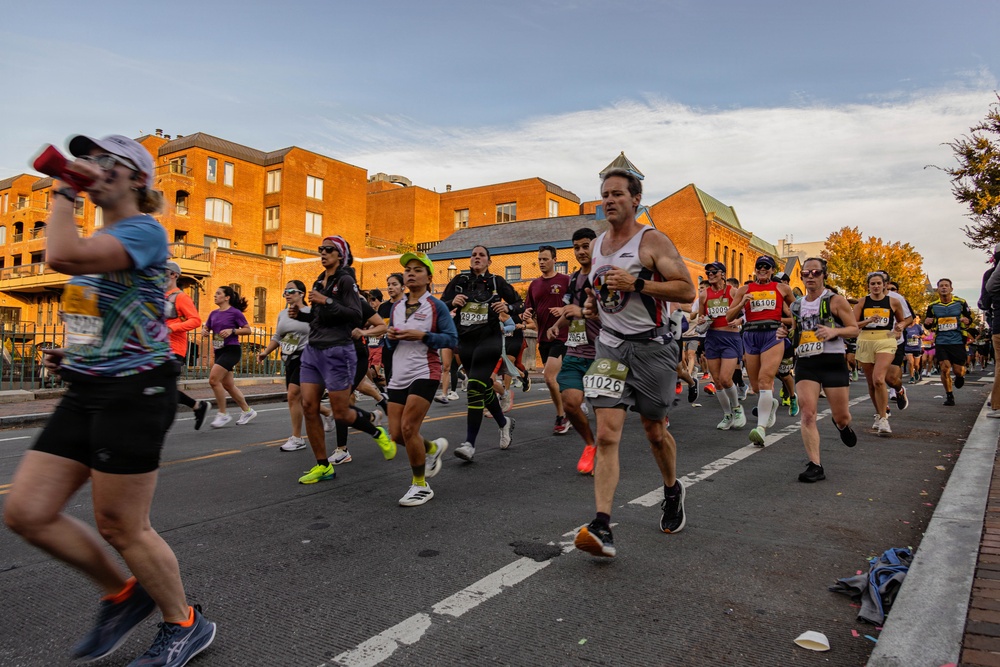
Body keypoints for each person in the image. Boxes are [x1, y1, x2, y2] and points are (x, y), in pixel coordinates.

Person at [3, 134, 216, 665]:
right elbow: (103, 319)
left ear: (137, 178)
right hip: (90, 386)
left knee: (122, 524)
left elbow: (61, 254)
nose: (92, 166)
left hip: (137, 390)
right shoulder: (106, 243)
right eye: (88, 159)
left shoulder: (144, 231)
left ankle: (184, 622)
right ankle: (124, 595)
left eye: (105, 161)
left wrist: (63, 190)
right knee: (27, 511)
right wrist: (70, 356)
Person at [573, 168, 695, 559]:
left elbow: (687, 291)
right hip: (610, 349)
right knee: (607, 434)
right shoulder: (596, 247)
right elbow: (602, 294)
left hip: (652, 350)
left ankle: (672, 489)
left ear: (635, 199)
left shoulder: (652, 240)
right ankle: (602, 525)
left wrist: (638, 284)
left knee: (654, 431)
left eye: (617, 194)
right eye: (604, 195)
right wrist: (594, 305)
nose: (608, 200)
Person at [290, 236, 396, 484]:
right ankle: (322, 465)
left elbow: (354, 314)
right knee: (309, 406)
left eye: (329, 250)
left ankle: (375, 430)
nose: (323, 253)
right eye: (321, 249)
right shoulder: (319, 280)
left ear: (340, 255)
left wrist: (325, 300)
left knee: (340, 411)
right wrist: (302, 315)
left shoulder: (346, 281)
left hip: (338, 350)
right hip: (313, 351)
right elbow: (320, 318)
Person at [386, 252, 459, 505]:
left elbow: (452, 339)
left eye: (417, 269)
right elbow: (390, 342)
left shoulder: (436, 306)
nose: (411, 273)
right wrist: (390, 338)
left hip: (425, 371)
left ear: (429, 277)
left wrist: (423, 336)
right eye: (408, 270)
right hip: (399, 374)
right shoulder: (396, 306)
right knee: (396, 434)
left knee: (409, 428)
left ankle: (420, 485)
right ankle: (431, 449)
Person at [777, 258, 859, 482]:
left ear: (824, 275)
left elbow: (854, 329)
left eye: (815, 272)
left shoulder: (835, 301)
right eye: (806, 273)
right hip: (806, 362)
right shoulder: (796, 305)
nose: (810, 276)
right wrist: (785, 334)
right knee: (808, 413)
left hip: (832, 362)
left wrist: (835, 333)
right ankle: (815, 465)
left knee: (842, 416)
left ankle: (842, 426)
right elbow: (796, 333)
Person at [440, 245, 521, 462]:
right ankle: (504, 423)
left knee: (474, 385)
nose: (477, 257)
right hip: (465, 342)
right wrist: (451, 302)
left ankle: (469, 444)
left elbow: (518, 303)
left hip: (490, 340)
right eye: (474, 255)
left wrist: (507, 309)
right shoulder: (459, 281)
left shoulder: (496, 282)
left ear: (489, 261)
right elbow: (439, 304)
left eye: (481, 255)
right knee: (482, 386)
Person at [256, 281, 335, 452]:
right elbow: (278, 336)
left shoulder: (310, 312)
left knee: (293, 395)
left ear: (301, 293)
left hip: (307, 357)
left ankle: (297, 438)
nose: (287, 294)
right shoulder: (283, 314)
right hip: (289, 358)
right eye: (285, 291)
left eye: (291, 291)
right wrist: (265, 352)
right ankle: (328, 413)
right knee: (301, 399)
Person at [547, 228, 601, 474]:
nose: (581, 251)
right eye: (577, 247)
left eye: (585, 246)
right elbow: (570, 310)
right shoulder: (572, 280)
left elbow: (617, 313)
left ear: (595, 246)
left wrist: (587, 312)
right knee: (570, 403)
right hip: (576, 351)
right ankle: (590, 444)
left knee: (606, 413)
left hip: (604, 354)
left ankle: (606, 450)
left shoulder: (604, 277)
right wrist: (556, 326)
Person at [726, 255, 795, 446]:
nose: (762, 270)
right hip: (751, 336)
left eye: (767, 267)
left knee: (766, 380)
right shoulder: (744, 289)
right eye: (759, 267)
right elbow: (728, 316)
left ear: (772, 270)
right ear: (755, 269)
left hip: (772, 335)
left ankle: (761, 429)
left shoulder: (782, 288)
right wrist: (742, 303)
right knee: (756, 387)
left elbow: (797, 313)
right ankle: (771, 404)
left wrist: (785, 325)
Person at [524, 244, 572, 435]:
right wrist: (526, 314)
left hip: (563, 335)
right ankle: (572, 407)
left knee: (549, 377)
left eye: (545, 259)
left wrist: (563, 310)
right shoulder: (534, 284)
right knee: (559, 380)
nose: (542, 262)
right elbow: (529, 309)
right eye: (540, 259)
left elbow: (575, 305)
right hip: (543, 338)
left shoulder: (565, 280)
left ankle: (562, 417)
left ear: (555, 260)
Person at [854, 272, 907, 435]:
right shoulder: (862, 302)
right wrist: (868, 321)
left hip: (885, 340)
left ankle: (884, 419)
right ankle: (878, 414)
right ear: (868, 286)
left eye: (879, 283)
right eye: (873, 284)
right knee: (871, 383)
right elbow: (853, 324)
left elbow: (902, 320)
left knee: (879, 379)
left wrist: (900, 328)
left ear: (885, 285)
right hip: (865, 341)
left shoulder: (894, 302)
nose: (876, 286)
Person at [696, 262, 747, 430]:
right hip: (712, 337)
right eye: (707, 272)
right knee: (717, 381)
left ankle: (737, 409)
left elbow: (747, 313)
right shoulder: (704, 295)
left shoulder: (733, 292)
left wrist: (739, 320)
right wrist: (702, 320)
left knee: (726, 378)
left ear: (723, 274)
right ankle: (727, 415)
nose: (710, 274)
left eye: (713, 272)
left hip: (730, 337)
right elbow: (701, 317)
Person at [203, 286, 257, 428]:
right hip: (219, 350)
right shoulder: (213, 314)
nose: (215, 296)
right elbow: (207, 327)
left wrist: (232, 331)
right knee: (228, 385)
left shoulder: (235, 313)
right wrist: (204, 331)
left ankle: (223, 414)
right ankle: (247, 411)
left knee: (214, 380)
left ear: (227, 297)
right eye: (215, 293)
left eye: (218, 293)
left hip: (231, 350)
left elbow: (248, 330)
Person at [164, 261, 208, 430]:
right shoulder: (157, 296)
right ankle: (197, 406)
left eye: (164, 271)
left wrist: (171, 327)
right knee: (160, 388)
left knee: (164, 388)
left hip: (174, 349)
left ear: (174, 275)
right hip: (156, 349)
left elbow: (195, 320)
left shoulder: (181, 297)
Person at [925, 278, 973, 406]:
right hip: (941, 341)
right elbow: (929, 324)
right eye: (941, 286)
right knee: (945, 368)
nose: (944, 288)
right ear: (938, 289)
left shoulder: (961, 302)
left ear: (951, 289)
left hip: (957, 340)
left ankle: (960, 376)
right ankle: (949, 395)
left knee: (958, 370)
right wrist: (927, 323)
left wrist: (967, 321)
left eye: (946, 286)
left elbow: (969, 318)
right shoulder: (933, 306)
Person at [378, 273, 405, 386]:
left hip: (404, 348)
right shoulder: (383, 307)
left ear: (403, 286)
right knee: (390, 379)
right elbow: (379, 325)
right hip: (387, 348)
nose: (390, 287)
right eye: (388, 284)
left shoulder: (407, 305)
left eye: (394, 284)